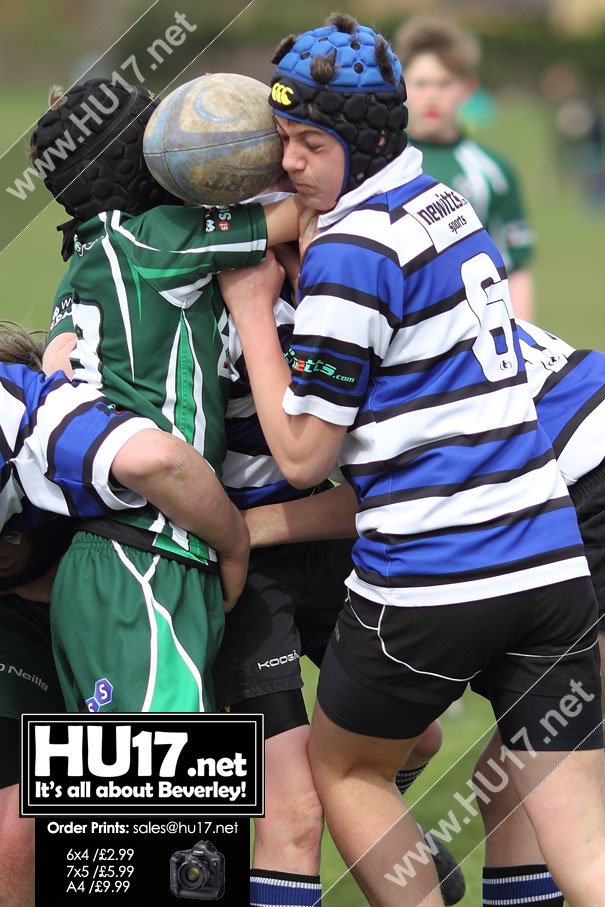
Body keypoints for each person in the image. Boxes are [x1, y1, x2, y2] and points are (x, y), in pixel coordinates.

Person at [217, 13, 605, 905]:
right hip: (548, 565)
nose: (287, 164)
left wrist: (248, 304)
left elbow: (307, 455)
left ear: (359, 141)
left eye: (307, 143)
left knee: (341, 764)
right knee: (586, 856)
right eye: (279, 141)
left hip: (432, 578)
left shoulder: (350, 254)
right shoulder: (440, 197)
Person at [31, 77, 302, 712]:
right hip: (148, 550)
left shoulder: (81, 268)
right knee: (159, 803)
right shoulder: (155, 237)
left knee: (116, 800)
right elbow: (301, 209)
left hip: (103, 556)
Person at [215, 239, 464, 906]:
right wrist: (232, 536)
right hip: (244, 575)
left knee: (417, 740)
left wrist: (258, 527)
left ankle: (374, 821)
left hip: (323, 543)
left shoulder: (349, 301)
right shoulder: (201, 296)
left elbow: (387, 482)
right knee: (292, 803)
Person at [0, 323, 249, 907]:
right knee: (19, 822)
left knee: (174, 802)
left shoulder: (32, 408)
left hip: (121, 590)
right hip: (22, 622)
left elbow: (161, 461)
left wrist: (235, 543)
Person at [393, 16, 536, 322]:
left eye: (444, 84)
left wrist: (521, 337)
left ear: (467, 88)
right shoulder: (381, 163)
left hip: (470, 338)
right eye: (421, 83)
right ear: (402, 87)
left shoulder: (493, 172)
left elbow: (516, 269)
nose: (432, 95)